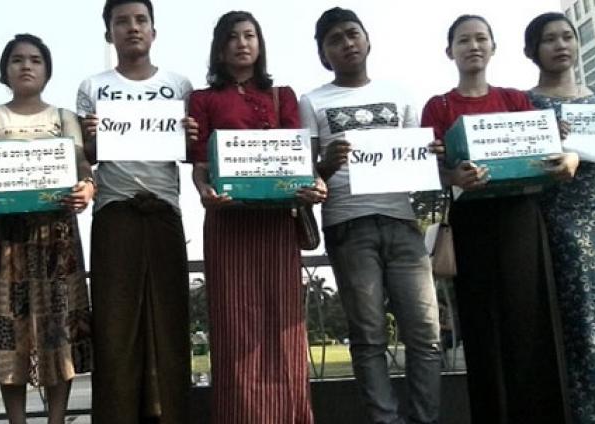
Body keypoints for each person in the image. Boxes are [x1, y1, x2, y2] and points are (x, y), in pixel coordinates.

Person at [420, 14, 572, 424]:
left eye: (481, 38)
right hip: (473, 223)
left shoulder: (516, 100)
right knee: (483, 328)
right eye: (464, 40)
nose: (473, 46)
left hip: (521, 219)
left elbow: (540, 155)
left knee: (531, 322)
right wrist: (455, 176)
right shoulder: (438, 106)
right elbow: (430, 171)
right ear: (449, 50)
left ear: (493, 47)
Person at [299, 7, 442, 424]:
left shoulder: (400, 93)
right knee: (368, 337)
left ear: (367, 39)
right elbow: (307, 174)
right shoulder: (313, 101)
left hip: (402, 222)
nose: (346, 43)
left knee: (426, 336)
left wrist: (429, 156)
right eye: (335, 40)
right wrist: (325, 163)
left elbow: (422, 169)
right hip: (347, 223)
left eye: (351, 34)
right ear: (324, 54)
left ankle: (425, 419)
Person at [188, 10, 324, 423]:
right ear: (219, 47)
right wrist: (204, 193)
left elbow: (300, 158)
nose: (242, 43)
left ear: (260, 44)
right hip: (227, 222)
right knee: (234, 325)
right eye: (232, 37)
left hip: (276, 223)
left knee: (283, 322)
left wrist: (315, 184)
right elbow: (199, 167)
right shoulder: (202, 99)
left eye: (250, 35)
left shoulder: (282, 95)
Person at [0, 33, 95, 424]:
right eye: (17, 60)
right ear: (5, 70)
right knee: (9, 331)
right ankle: (16, 420)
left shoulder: (63, 118)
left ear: (47, 70)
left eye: (36, 60)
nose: (26, 66)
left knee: (59, 332)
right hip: (4, 240)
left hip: (57, 239)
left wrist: (85, 190)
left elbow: (85, 172)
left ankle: (57, 419)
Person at [76, 0, 196, 422]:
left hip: (164, 211)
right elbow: (84, 158)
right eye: (121, 21)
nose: (132, 28)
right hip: (113, 212)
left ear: (154, 30)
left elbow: (190, 154)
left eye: (140, 20)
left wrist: (190, 136)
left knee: (169, 322)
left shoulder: (180, 86)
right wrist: (89, 141)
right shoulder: (93, 86)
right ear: (109, 33)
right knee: (115, 327)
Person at [523, 12, 595, 423]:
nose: (561, 45)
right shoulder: (527, 104)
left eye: (567, 37)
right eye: (548, 40)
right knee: (581, 326)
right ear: (532, 51)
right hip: (561, 222)